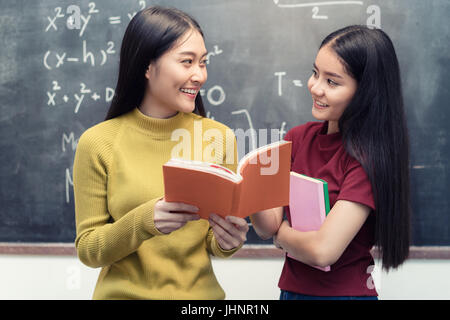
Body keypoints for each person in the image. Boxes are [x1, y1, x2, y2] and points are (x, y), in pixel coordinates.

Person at [73, 6, 248, 300]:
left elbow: (211, 243)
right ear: (147, 66)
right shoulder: (98, 142)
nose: (199, 75)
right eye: (187, 62)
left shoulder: (219, 137)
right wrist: (144, 221)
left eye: (203, 63)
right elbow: (90, 250)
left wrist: (228, 240)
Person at [250, 25, 411, 300]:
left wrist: (282, 236)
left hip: (344, 295)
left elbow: (323, 250)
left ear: (365, 92)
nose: (315, 87)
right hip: (290, 291)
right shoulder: (297, 138)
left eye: (332, 82)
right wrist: (250, 189)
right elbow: (266, 227)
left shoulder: (366, 159)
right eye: (315, 73)